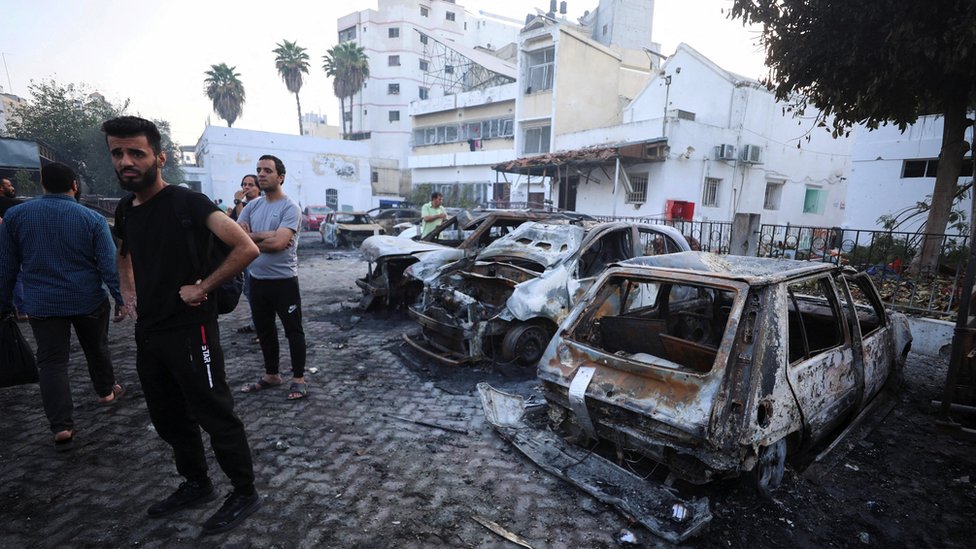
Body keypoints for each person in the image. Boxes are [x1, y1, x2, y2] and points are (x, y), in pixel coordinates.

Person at [103, 116, 262, 535]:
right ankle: (197, 483)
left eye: (136, 152)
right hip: (150, 332)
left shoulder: (187, 202)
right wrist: (127, 292)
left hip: (194, 330)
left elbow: (245, 248)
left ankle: (244, 491)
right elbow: (124, 252)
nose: (126, 162)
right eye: (117, 153)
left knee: (215, 413)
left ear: (159, 156)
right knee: (168, 416)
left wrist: (204, 286)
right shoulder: (125, 208)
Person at [0, 162, 125, 451]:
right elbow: (108, 264)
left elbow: (6, 266)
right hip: (88, 300)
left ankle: (62, 427)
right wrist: (119, 298)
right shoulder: (91, 219)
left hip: (43, 304)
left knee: (52, 363)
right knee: (97, 348)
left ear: (43, 185)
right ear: (75, 185)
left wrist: (4, 303)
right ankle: (106, 392)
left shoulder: (16, 216)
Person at [237, 155, 308, 401]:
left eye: (267, 170)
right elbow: (237, 238)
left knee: (293, 331)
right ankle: (272, 375)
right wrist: (265, 236)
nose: (261, 174)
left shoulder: (290, 207)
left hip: (284, 281)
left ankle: (298, 378)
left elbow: (280, 244)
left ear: (281, 176)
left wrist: (252, 238)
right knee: (265, 330)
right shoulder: (252, 207)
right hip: (257, 280)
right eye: (259, 170)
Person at [231, 174, 261, 335]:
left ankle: (260, 326)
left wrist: (238, 203)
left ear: (258, 188)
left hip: (256, 254)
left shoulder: (259, 205)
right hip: (243, 255)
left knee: (254, 290)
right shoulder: (242, 205)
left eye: (250, 184)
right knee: (248, 290)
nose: (246, 188)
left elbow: (243, 227)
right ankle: (256, 323)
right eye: (244, 184)